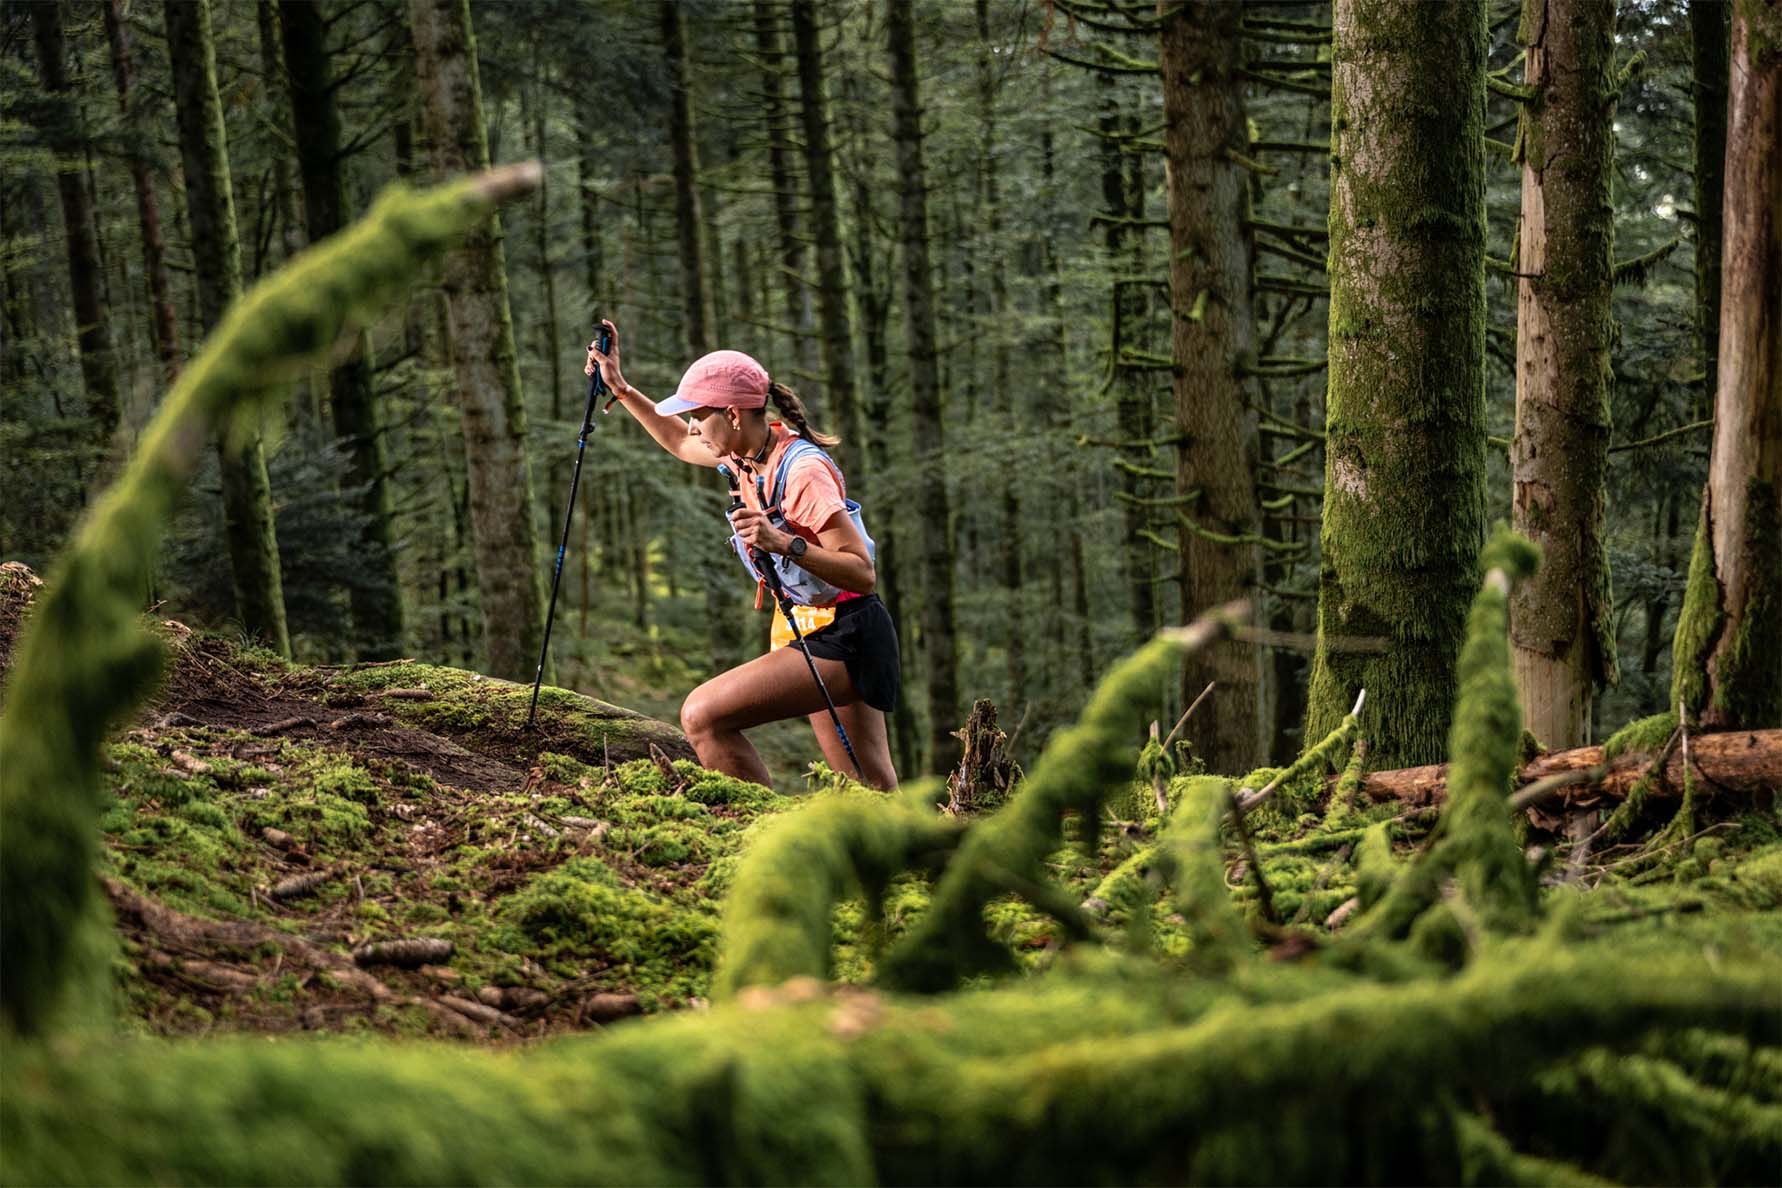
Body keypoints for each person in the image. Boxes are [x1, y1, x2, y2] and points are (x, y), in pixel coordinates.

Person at [585, 321, 900, 790]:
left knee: (703, 715)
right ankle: (908, 858)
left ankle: (755, 838)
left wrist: (781, 542)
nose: (692, 425)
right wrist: (622, 388)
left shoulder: (803, 472)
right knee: (867, 786)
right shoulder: (742, 458)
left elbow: (862, 572)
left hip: (847, 635)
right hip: (815, 628)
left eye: (697, 414)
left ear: (733, 414)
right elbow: (676, 441)